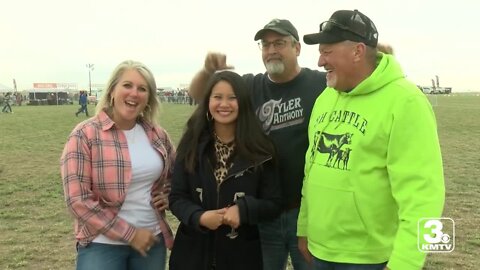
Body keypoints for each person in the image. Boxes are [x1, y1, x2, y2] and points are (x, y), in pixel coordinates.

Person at [297, 9, 445, 270]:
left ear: (357, 51)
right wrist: (305, 227)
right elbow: (312, 171)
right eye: (320, 52)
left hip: (372, 261)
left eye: (327, 51)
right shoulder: (325, 98)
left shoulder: (406, 101)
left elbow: (424, 197)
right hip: (319, 253)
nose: (320, 61)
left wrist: (405, 264)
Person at [189, 19, 327, 270]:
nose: (271, 50)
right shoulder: (252, 86)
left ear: (297, 48)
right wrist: (207, 71)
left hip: (307, 213)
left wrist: (373, 58)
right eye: (266, 45)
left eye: (279, 43)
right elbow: (200, 95)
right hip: (263, 212)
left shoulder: (320, 84)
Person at [60, 60, 176, 270]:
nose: (134, 93)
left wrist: (170, 194)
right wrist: (130, 234)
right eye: (127, 85)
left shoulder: (157, 135)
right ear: (112, 91)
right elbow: (77, 200)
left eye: (142, 89)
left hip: (151, 241)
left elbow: (178, 175)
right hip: (102, 245)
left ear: (148, 99)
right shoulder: (84, 134)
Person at [169, 70, 282, 270]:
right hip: (193, 254)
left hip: (241, 255)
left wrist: (244, 209)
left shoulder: (261, 149)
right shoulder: (192, 142)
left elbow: (273, 203)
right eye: (217, 97)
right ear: (208, 101)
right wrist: (199, 217)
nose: (224, 104)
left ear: (244, 102)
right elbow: (177, 197)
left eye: (232, 98)